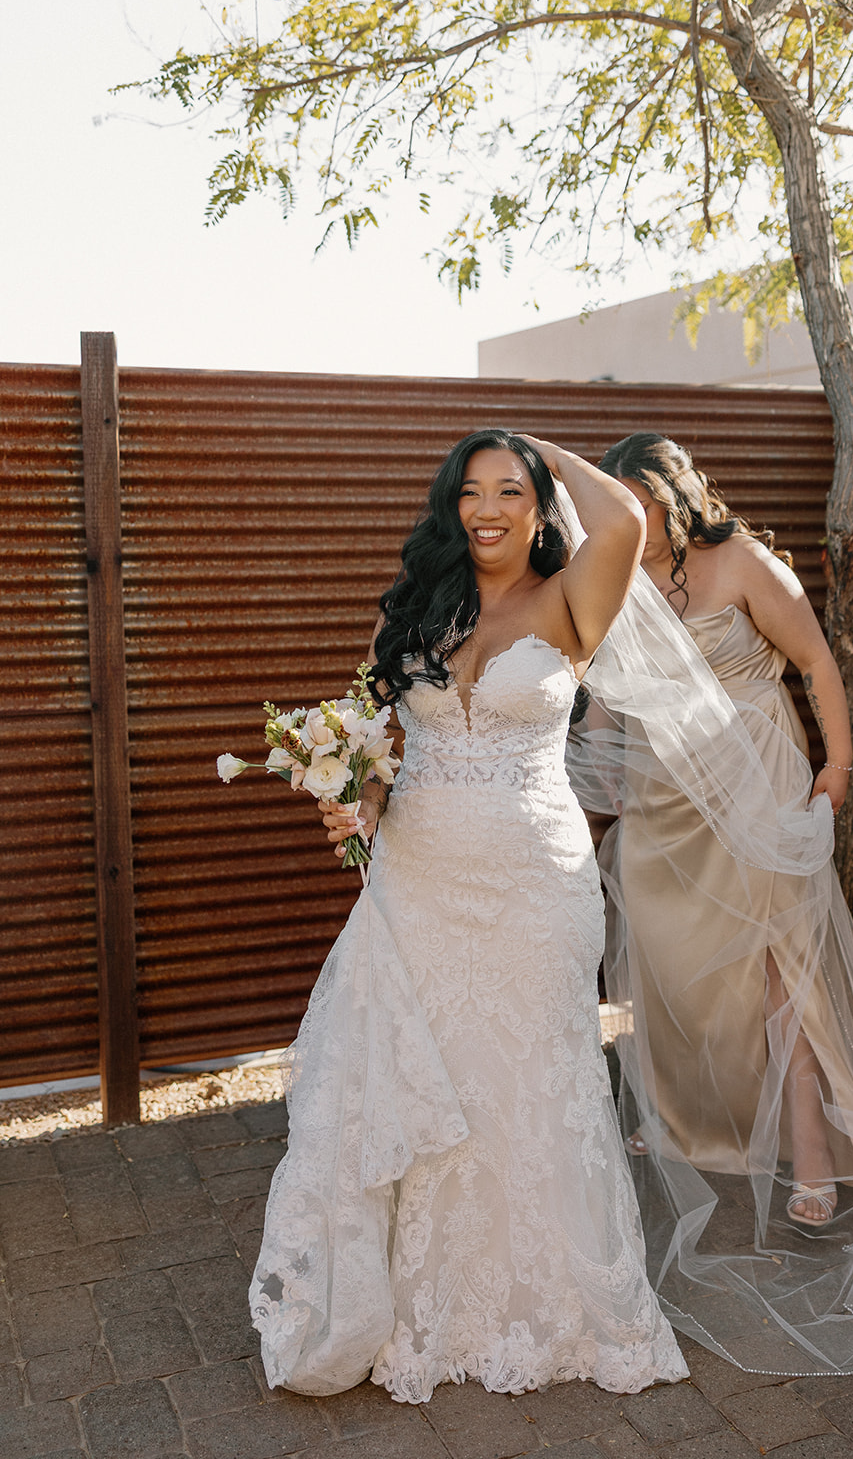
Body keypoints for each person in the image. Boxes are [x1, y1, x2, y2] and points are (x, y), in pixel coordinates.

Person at [248, 430, 688, 1403]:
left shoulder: (575, 595)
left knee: (533, 1081)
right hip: (420, 880)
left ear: (538, 505)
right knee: (428, 1084)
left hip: (535, 882)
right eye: (470, 492)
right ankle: (423, 1307)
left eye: (509, 490)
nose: (487, 509)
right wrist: (353, 801)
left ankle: (554, 1308)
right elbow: (369, 742)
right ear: (450, 506)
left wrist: (535, 443)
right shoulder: (416, 614)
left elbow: (625, 514)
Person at [565, 431, 853, 1376]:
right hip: (665, 807)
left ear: (674, 492)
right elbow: (610, 708)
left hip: (759, 790)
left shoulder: (741, 561)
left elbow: (819, 665)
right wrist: (588, 781)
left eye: (642, 502)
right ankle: (682, 1114)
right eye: (614, 509)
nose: (633, 521)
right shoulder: (613, 585)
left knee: (782, 971)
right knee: (669, 969)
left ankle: (814, 1162)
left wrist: (837, 767)